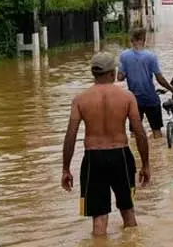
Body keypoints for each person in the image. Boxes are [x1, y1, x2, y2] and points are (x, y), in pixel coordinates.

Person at [62, 51, 152, 237]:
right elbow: (140, 133)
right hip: (120, 156)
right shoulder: (127, 97)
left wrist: (66, 168)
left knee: (99, 217)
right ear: (113, 73)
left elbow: (70, 135)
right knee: (128, 211)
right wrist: (145, 164)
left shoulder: (80, 100)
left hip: (93, 158)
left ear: (94, 73)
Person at [117, 27, 173, 136]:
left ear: (131, 39)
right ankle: (158, 152)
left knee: (134, 133)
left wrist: (124, 69)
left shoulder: (124, 56)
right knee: (156, 132)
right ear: (144, 39)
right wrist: (171, 89)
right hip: (151, 99)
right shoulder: (151, 56)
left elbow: (120, 78)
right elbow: (159, 78)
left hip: (134, 100)